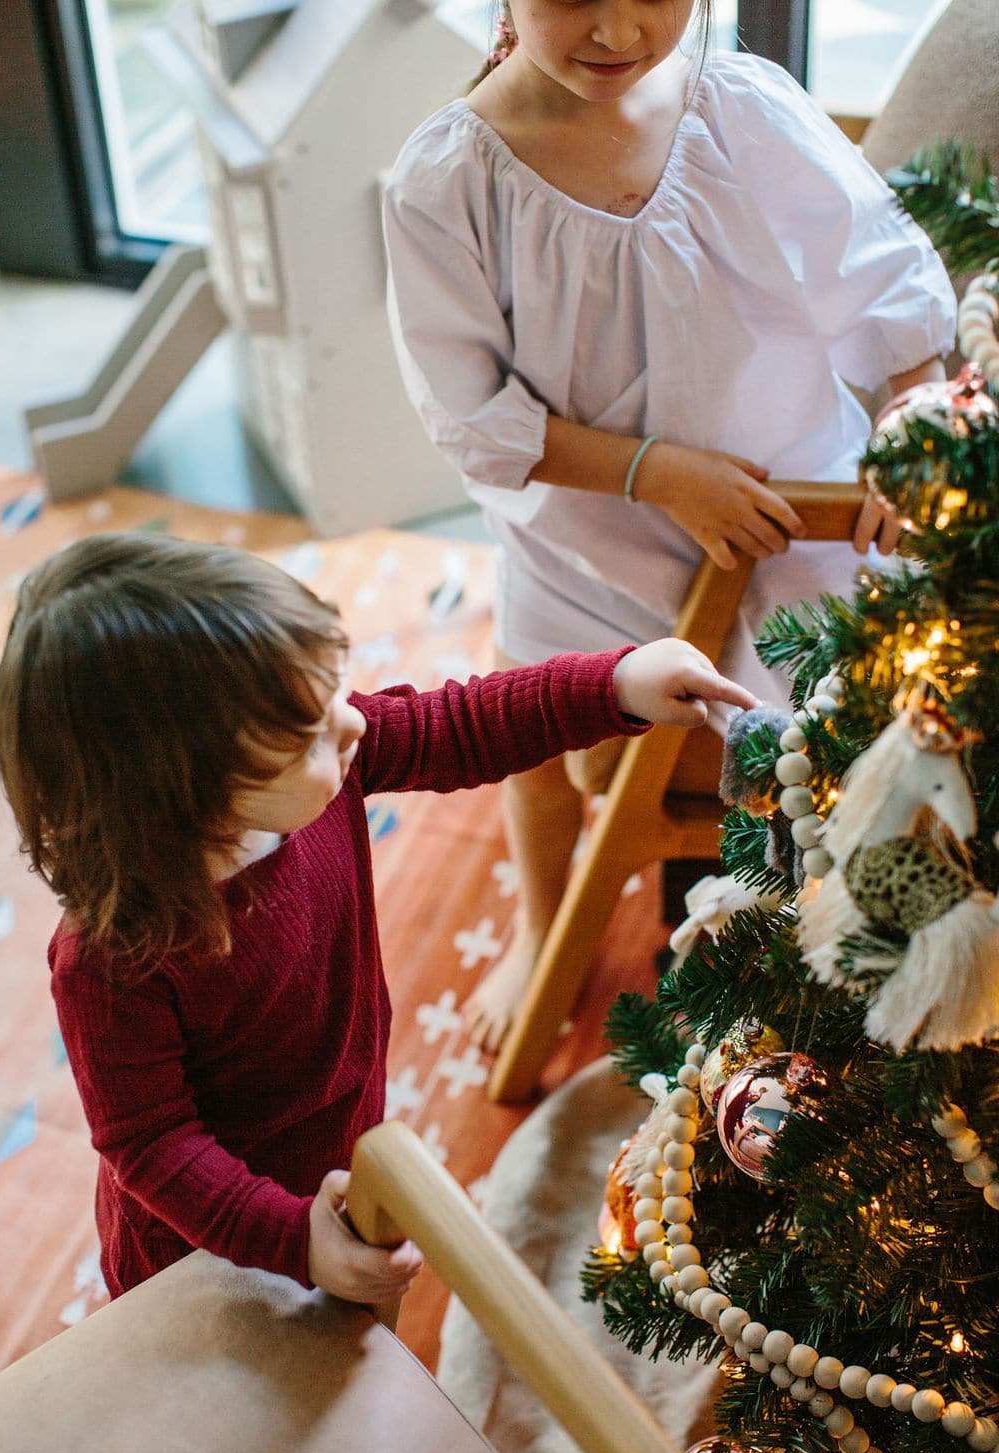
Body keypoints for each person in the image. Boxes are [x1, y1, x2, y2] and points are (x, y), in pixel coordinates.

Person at [381, 0, 957, 1049]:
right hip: (591, 531)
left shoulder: (738, 106)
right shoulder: (447, 181)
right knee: (535, 714)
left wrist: (904, 424)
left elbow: (884, 281)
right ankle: (542, 924)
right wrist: (654, 471)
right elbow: (471, 415)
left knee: (864, 698)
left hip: (791, 508)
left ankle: (821, 922)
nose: (617, 31)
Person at [0, 531, 757, 1304]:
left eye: (333, 696)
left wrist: (615, 684)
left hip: (342, 1137)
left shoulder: (321, 774)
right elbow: (154, 1146)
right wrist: (294, 1240)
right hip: (204, 1258)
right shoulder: (112, 960)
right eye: (310, 733)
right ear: (184, 796)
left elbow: (458, 724)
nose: (352, 725)